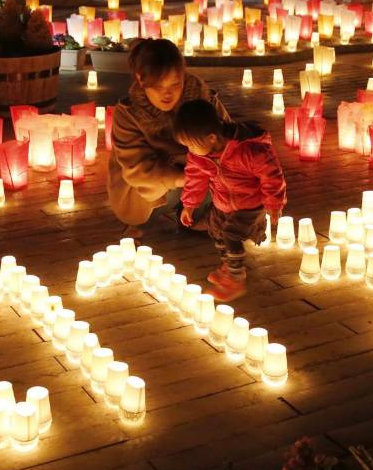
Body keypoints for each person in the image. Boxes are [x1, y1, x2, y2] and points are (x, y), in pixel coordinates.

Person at [107, 38, 229, 234]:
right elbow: (138, 170)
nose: (168, 94)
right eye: (158, 87)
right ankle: (147, 222)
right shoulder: (129, 114)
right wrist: (187, 177)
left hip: (199, 181)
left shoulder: (203, 101)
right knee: (149, 193)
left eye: (175, 84)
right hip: (152, 192)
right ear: (141, 79)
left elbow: (230, 142)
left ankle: (195, 217)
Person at [173, 99, 287, 301]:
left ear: (211, 138)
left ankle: (236, 279)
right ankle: (229, 266)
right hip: (221, 202)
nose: (189, 149)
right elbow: (194, 178)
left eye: (191, 144)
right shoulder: (199, 155)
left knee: (231, 235)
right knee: (216, 231)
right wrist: (189, 205)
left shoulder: (248, 150)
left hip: (249, 204)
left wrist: (273, 203)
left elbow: (272, 176)